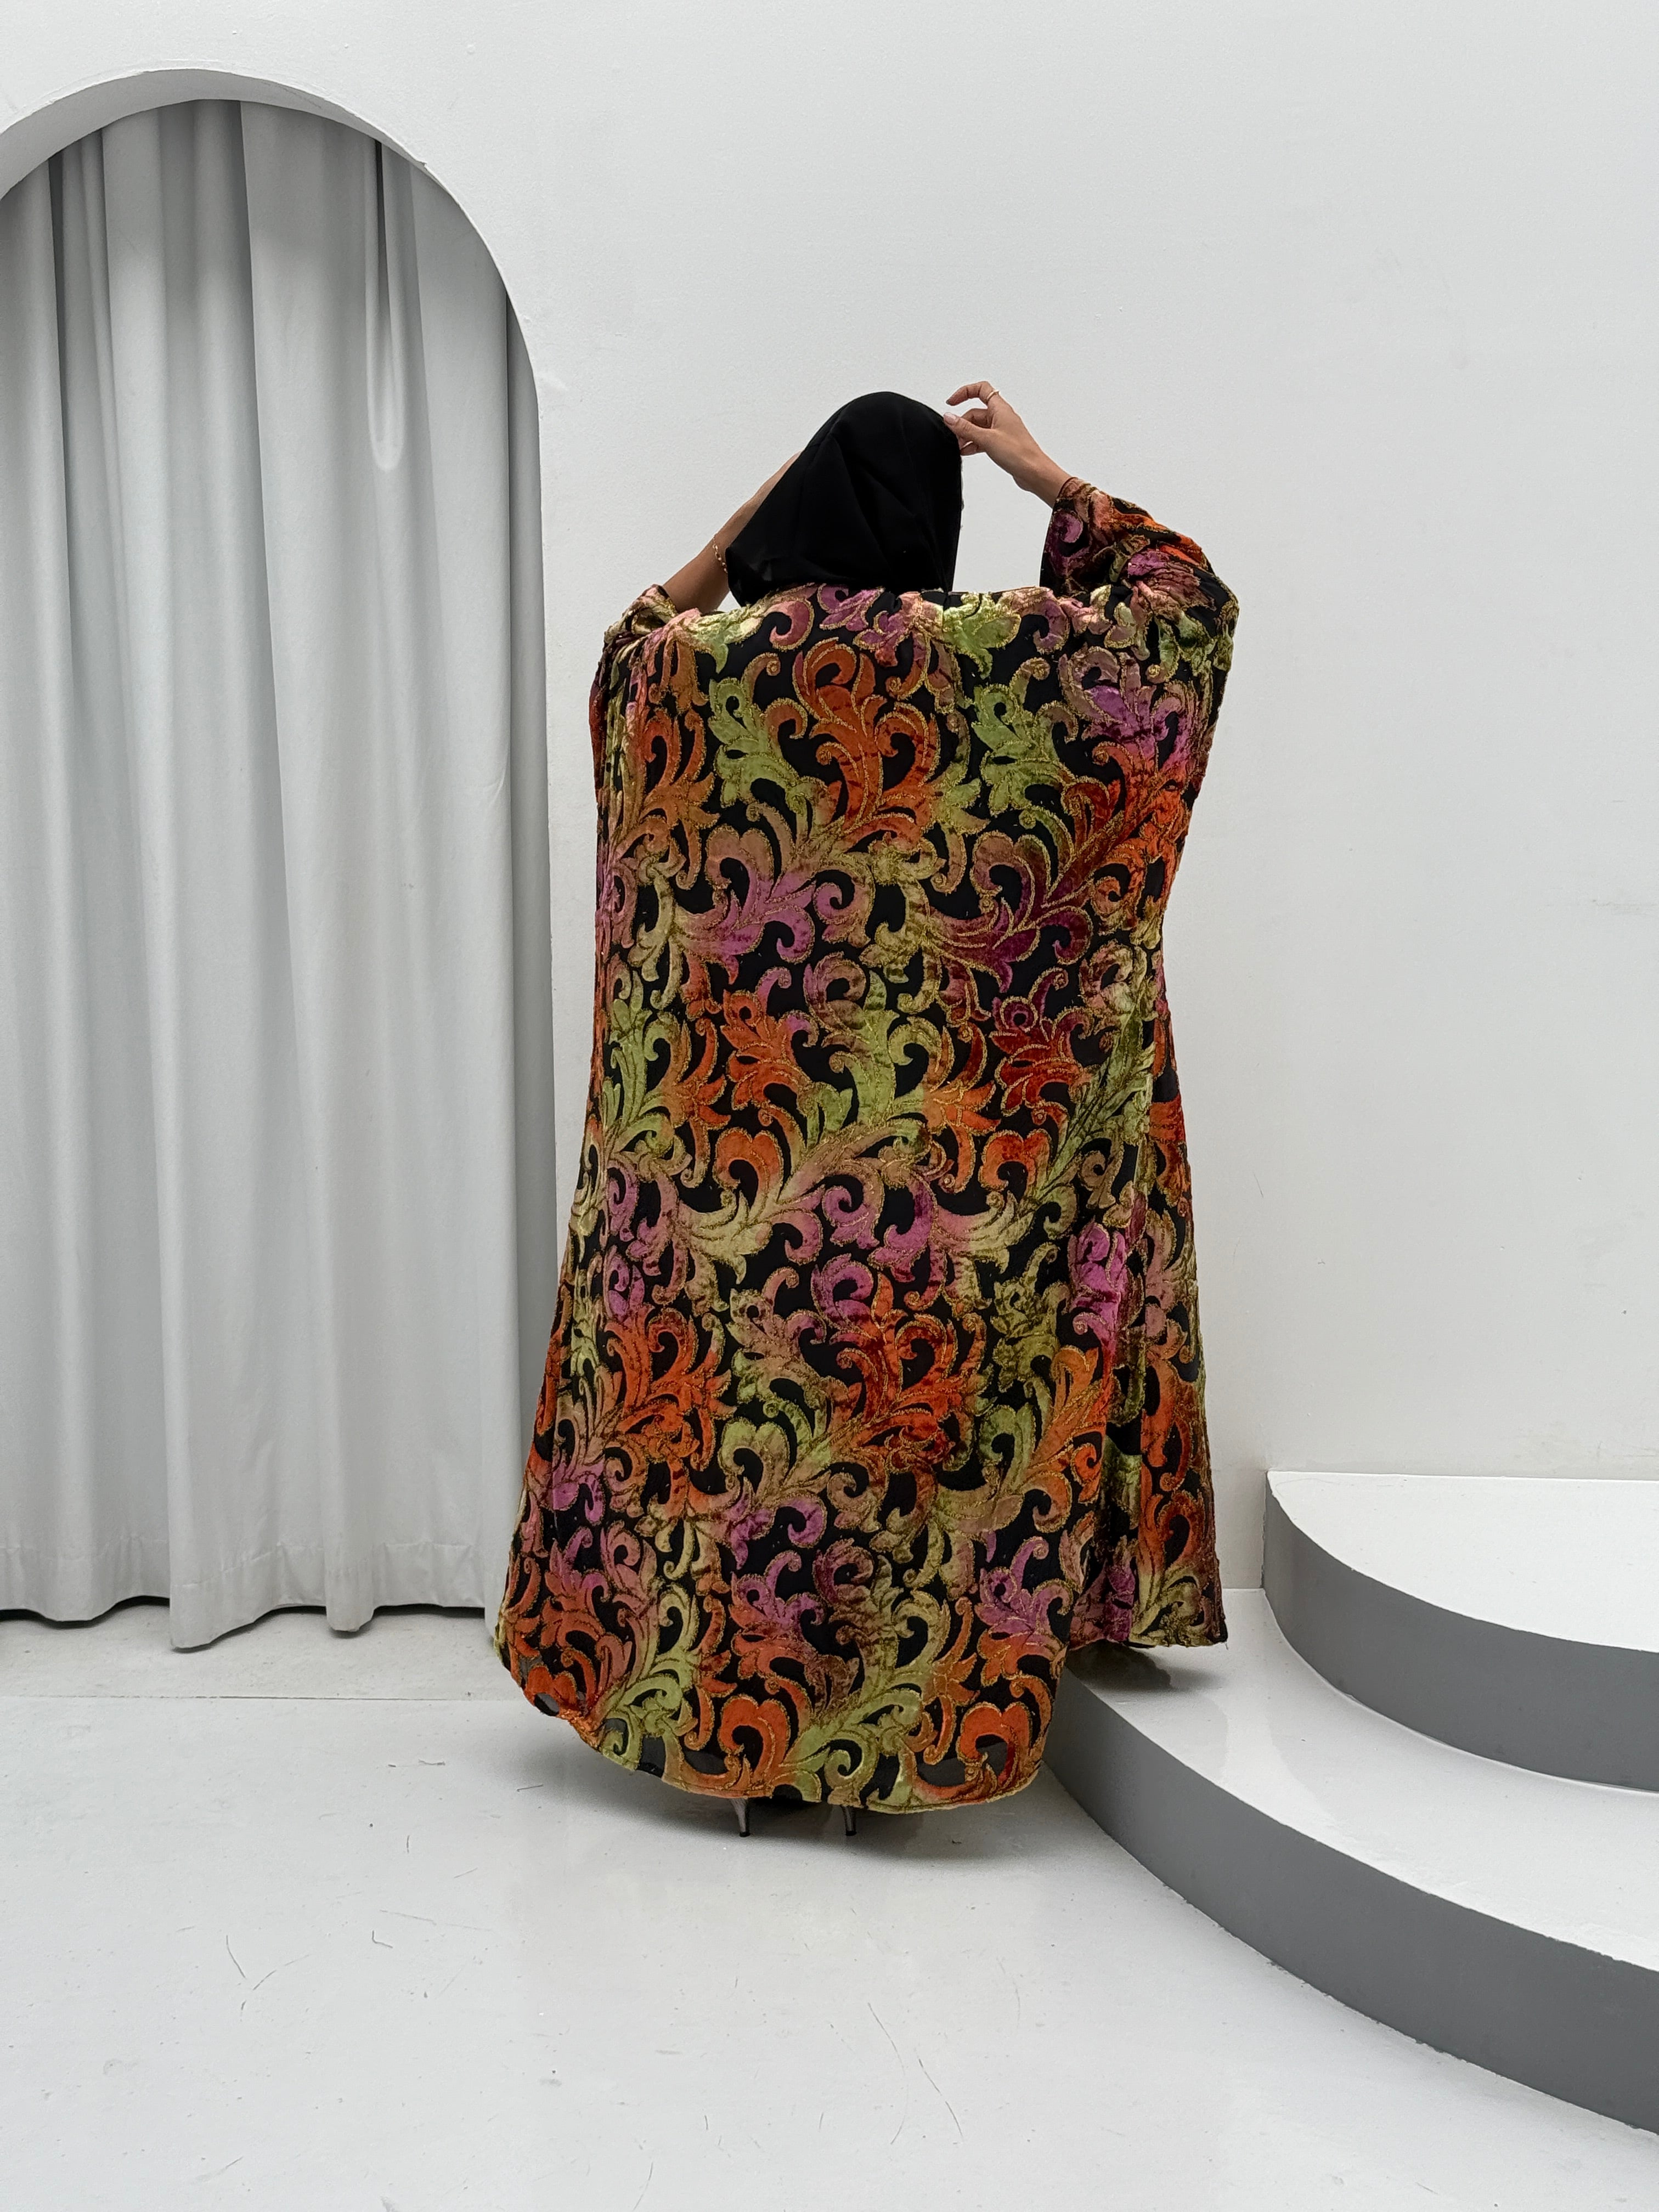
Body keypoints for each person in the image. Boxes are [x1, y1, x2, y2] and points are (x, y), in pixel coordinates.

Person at [496, 385, 1237, 1822]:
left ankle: (739, 1747)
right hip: (939, 1214)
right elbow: (1183, 608)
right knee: (903, 1476)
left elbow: (627, 637)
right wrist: (1042, 475)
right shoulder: (1008, 658)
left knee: (741, 1452)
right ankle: (888, 1753)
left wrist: (753, 515)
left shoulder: (688, 677)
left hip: (729, 1200)